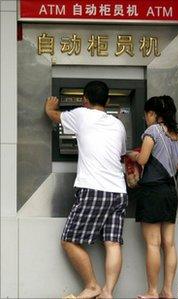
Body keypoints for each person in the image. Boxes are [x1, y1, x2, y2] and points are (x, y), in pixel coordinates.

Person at [45, 81, 128, 299]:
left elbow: (55, 116)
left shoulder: (81, 114)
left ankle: (92, 286)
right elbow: (120, 154)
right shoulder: (119, 124)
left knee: (69, 240)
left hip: (94, 188)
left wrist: (48, 108)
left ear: (85, 100)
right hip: (119, 191)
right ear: (108, 101)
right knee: (112, 242)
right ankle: (108, 292)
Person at [128, 96, 178, 299]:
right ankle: (168, 291)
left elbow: (143, 159)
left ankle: (153, 291)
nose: (145, 118)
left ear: (153, 114)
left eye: (146, 114)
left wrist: (132, 154)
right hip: (171, 192)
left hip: (152, 191)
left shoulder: (152, 131)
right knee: (168, 244)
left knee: (153, 243)